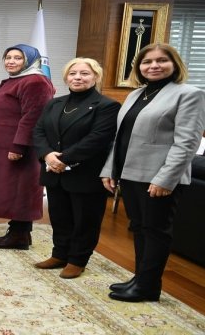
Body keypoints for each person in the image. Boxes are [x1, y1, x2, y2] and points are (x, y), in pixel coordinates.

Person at [101, 43, 205, 302]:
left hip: (159, 178)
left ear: (174, 64)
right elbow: (121, 136)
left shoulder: (189, 94)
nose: (154, 66)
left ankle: (148, 286)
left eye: (161, 60)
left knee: (156, 231)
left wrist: (165, 179)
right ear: (139, 67)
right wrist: (110, 169)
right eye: (147, 62)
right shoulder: (137, 94)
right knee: (138, 227)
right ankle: (141, 279)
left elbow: (187, 143)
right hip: (130, 174)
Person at [32, 58, 120, 279]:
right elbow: (39, 131)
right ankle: (59, 254)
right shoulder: (54, 103)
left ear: (96, 77)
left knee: (85, 220)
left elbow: (97, 138)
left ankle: (78, 260)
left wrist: (63, 159)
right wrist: (47, 155)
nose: (78, 78)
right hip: (54, 172)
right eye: (73, 74)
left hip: (85, 173)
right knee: (59, 216)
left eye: (84, 73)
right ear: (66, 78)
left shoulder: (107, 106)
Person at [0, 44, 54, 249]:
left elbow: (33, 117)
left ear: (30, 61)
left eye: (18, 58)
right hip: (1, 147)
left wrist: (19, 147)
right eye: (8, 57)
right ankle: (19, 232)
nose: (11, 61)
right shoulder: (17, 80)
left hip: (18, 149)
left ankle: (19, 235)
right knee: (12, 190)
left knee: (21, 191)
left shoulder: (36, 81)